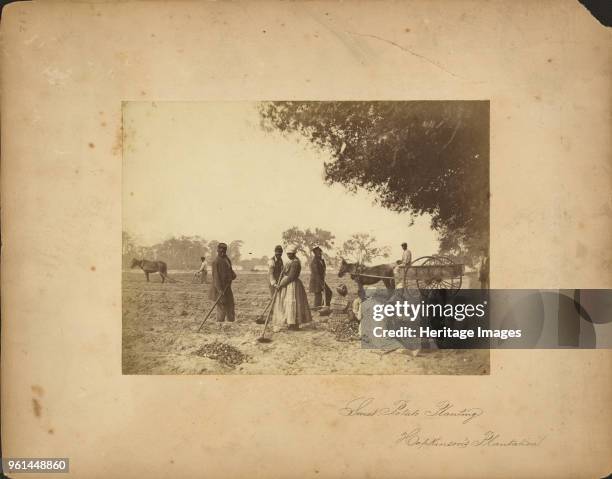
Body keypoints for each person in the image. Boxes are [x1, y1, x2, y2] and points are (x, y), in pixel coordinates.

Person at [271, 246, 312, 331]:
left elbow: (291, 277)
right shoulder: (291, 261)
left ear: (294, 254)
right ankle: (290, 323)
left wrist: (281, 284)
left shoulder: (296, 263)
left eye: (290, 254)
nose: (289, 255)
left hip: (292, 285)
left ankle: (294, 324)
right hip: (288, 284)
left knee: (293, 304)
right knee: (288, 304)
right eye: (288, 254)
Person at [208, 243, 237, 323]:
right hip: (219, 289)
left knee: (230, 305)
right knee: (222, 306)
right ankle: (220, 324)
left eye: (224, 251)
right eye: (221, 251)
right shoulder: (215, 262)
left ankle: (231, 323)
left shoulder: (227, 259)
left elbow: (230, 270)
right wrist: (220, 290)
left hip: (227, 287)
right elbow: (216, 278)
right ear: (218, 250)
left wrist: (233, 275)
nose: (222, 252)